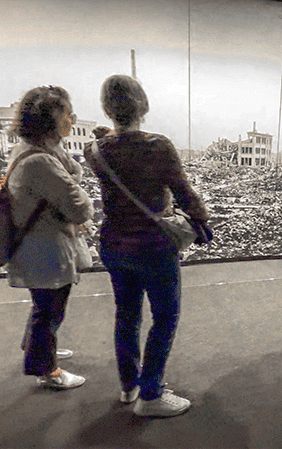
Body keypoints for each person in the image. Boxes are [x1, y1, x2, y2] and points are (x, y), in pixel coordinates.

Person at [84, 74, 211, 417]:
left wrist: (105, 134)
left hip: (114, 243)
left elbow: (112, 147)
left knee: (126, 315)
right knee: (165, 317)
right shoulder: (158, 146)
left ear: (107, 108)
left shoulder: (94, 150)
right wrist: (201, 221)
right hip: (152, 246)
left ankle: (130, 386)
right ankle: (151, 394)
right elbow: (184, 193)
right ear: (143, 104)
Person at [7, 86, 94, 389]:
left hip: (37, 243)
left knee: (44, 305)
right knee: (50, 307)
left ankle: (37, 348)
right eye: (68, 114)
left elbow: (72, 172)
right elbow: (80, 206)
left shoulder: (35, 150)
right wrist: (82, 194)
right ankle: (47, 369)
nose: (72, 119)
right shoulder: (40, 162)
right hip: (45, 248)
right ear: (53, 120)